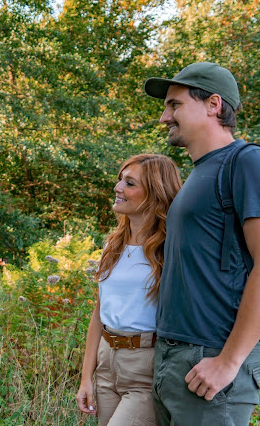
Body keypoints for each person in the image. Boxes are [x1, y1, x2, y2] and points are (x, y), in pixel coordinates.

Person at [143, 62, 260, 425]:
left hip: (211, 361)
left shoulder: (248, 163)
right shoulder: (199, 173)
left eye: (174, 105)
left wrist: (228, 361)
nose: (164, 117)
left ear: (213, 104)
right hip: (173, 358)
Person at [76, 154, 181, 425]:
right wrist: (86, 377)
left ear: (155, 194)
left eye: (129, 183)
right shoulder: (114, 245)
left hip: (145, 365)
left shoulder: (170, 250)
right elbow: (99, 312)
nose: (118, 188)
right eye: (120, 179)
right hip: (106, 361)